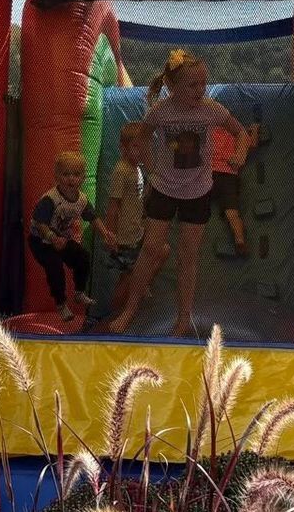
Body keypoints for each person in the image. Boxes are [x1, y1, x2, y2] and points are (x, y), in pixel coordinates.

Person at [105, 50, 245, 339]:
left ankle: (183, 319)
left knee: (187, 256)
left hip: (198, 191)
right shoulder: (161, 112)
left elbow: (240, 132)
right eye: (192, 85)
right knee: (151, 249)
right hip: (165, 189)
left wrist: (240, 152)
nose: (200, 90)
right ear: (173, 87)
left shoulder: (211, 109)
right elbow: (143, 136)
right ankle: (130, 310)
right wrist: (150, 167)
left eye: (203, 83)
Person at [28, 151, 95, 323]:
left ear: (83, 178)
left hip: (61, 240)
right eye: (66, 174)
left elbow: (93, 218)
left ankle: (79, 293)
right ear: (57, 176)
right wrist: (52, 237)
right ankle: (61, 304)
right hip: (41, 241)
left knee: (83, 257)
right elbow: (40, 224)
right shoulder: (51, 199)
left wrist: (106, 233)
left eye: (76, 175)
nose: (71, 179)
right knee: (55, 265)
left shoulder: (81, 200)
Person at [98, 122, 150, 307]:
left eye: (144, 146)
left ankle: (135, 295)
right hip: (124, 237)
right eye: (136, 146)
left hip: (135, 232)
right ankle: (116, 311)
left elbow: (137, 200)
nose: (141, 151)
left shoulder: (137, 169)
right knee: (127, 276)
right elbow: (113, 205)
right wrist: (110, 234)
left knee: (136, 270)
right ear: (123, 148)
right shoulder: (121, 170)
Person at [209, 120, 260, 257]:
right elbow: (253, 144)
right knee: (232, 214)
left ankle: (240, 241)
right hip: (228, 177)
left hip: (211, 174)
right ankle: (240, 241)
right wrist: (254, 128)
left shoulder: (210, 132)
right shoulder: (238, 136)